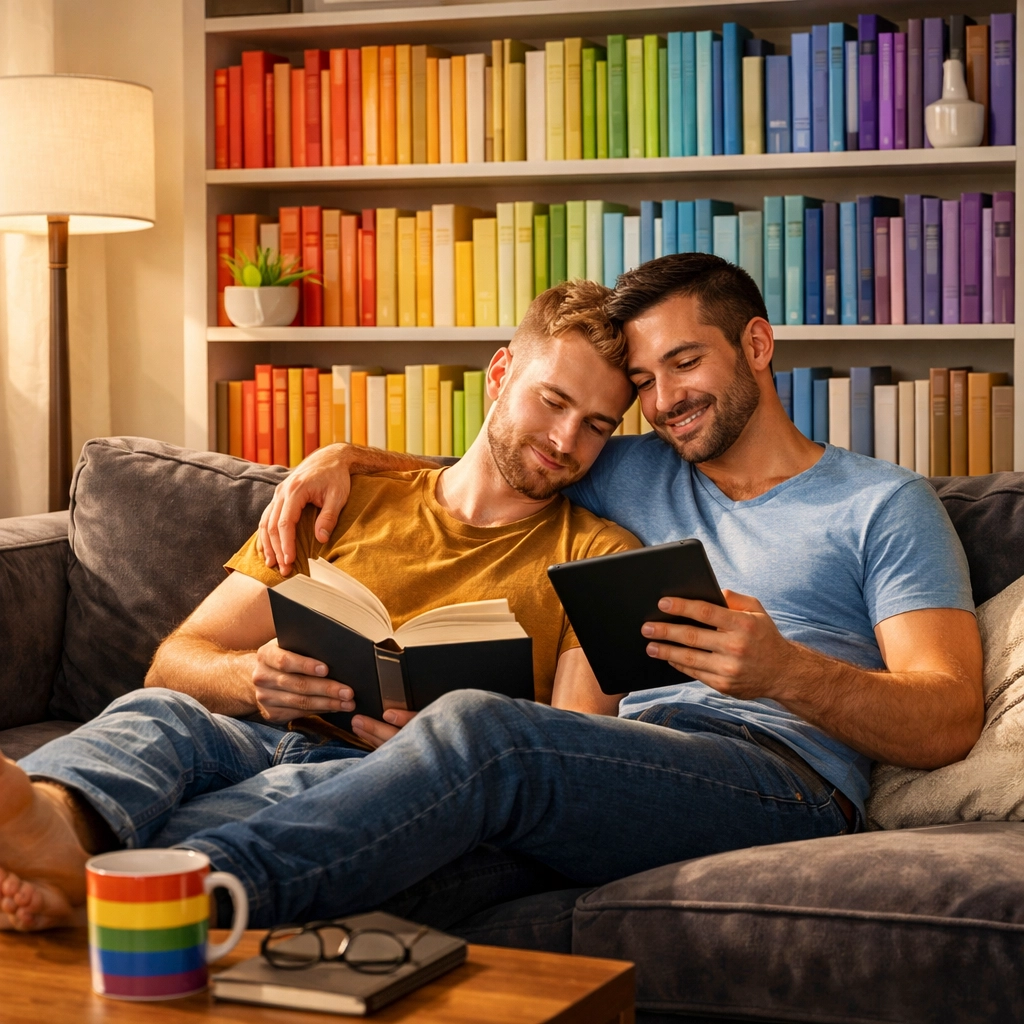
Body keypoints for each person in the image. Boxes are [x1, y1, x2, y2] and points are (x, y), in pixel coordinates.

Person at [0, 254, 983, 934]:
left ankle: (170, 902)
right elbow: (502, 459)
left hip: (774, 775)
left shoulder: (880, 503)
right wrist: (343, 456)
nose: (667, 395)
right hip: (620, 757)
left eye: (688, 361)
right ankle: (66, 829)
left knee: (486, 733)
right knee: (293, 759)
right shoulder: (632, 468)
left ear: (757, 346)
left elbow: (944, 716)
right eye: (646, 380)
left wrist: (786, 671)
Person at [0, 280, 640, 930]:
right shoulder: (344, 498)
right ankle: (47, 814)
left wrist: (445, 746)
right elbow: (171, 666)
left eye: (596, 426)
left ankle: (85, 880)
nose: (565, 441)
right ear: (501, 372)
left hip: (387, 784)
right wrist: (253, 676)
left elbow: (571, 763)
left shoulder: (601, 556)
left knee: (265, 806)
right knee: (158, 714)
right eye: (553, 400)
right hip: (254, 736)